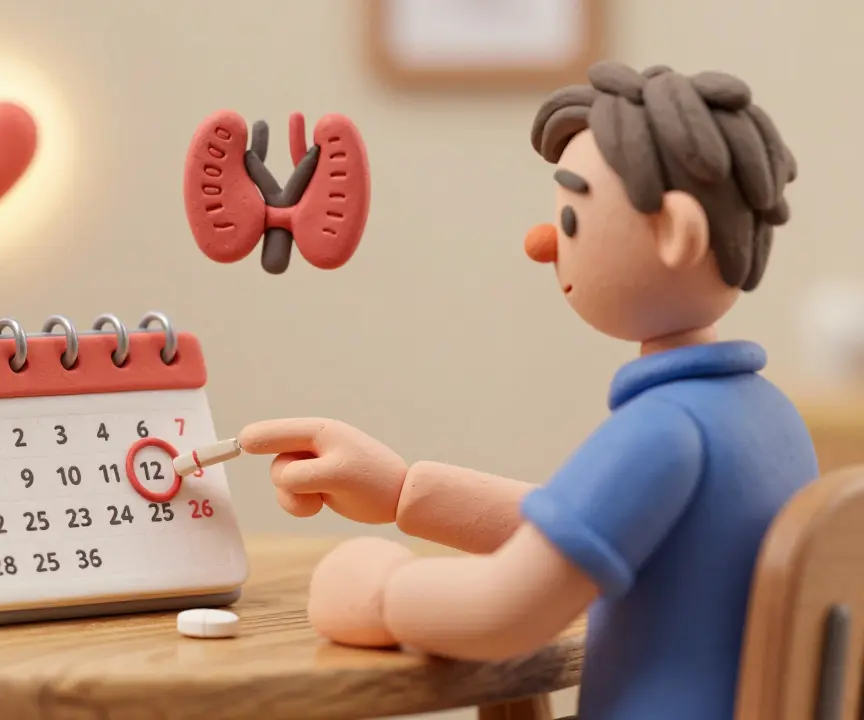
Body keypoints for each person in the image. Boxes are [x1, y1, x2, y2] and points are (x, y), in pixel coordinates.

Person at [237, 60, 815, 720]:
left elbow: (505, 613)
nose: (542, 243)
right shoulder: (767, 415)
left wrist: (378, 593)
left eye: (571, 218)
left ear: (675, 234)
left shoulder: (664, 430)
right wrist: (404, 492)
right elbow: (598, 524)